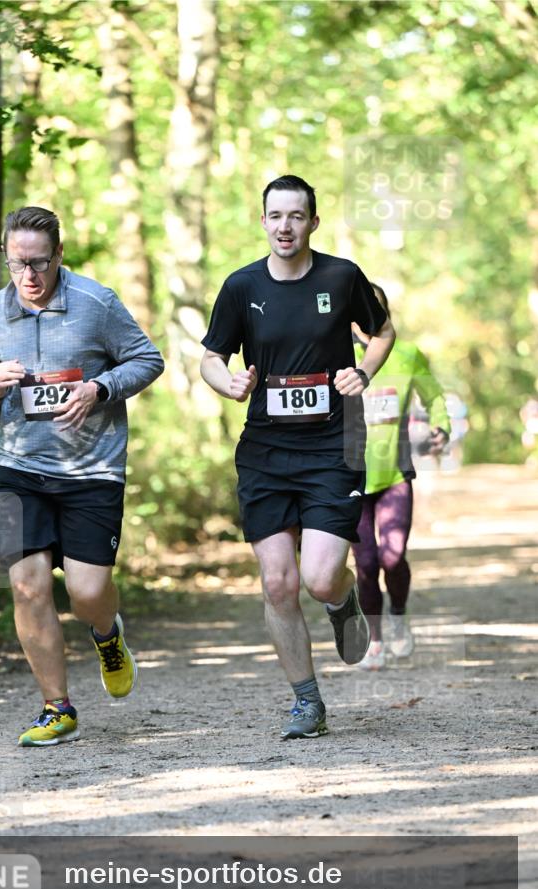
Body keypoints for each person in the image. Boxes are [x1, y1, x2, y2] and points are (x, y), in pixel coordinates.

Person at [0, 206, 164, 746]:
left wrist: (100, 388)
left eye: (39, 263)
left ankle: (105, 633)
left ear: (59, 256)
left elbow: (147, 360)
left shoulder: (97, 303)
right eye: (16, 263)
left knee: (86, 591)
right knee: (27, 588)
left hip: (92, 469)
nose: (28, 275)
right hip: (19, 468)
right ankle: (57, 708)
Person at [200, 175, 395, 740]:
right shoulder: (241, 287)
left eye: (296, 216)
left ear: (313, 221)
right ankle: (307, 702)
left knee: (318, 577)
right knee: (277, 584)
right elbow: (211, 356)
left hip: (336, 443)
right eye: (275, 216)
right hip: (264, 449)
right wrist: (228, 383)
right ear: (263, 221)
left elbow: (382, 332)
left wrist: (364, 369)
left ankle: (342, 601)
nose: (285, 226)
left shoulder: (342, 276)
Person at [352, 283, 450, 669]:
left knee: (392, 557)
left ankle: (399, 615)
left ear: (385, 313)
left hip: (395, 473)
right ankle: (374, 640)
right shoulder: (334, 356)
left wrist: (441, 426)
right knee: (365, 564)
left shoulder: (407, 354)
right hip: (349, 479)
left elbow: (435, 397)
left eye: (373, 309)